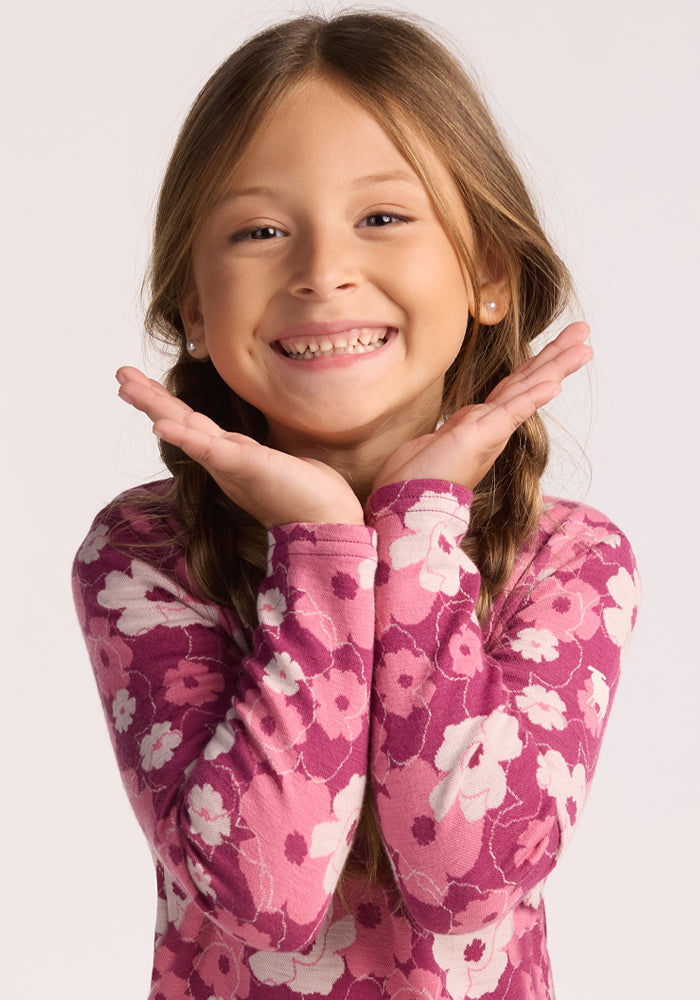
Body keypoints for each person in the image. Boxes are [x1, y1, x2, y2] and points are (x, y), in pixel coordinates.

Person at [72, 12, 639, 999]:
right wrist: (323, 552)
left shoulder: (572, 563)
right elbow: (265, 896)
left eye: (381, 217)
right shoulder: (145, 555)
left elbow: (461, 875)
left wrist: (416, 528)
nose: (320, 271)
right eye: (259, 230)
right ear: (195, 309)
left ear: (490, 274)